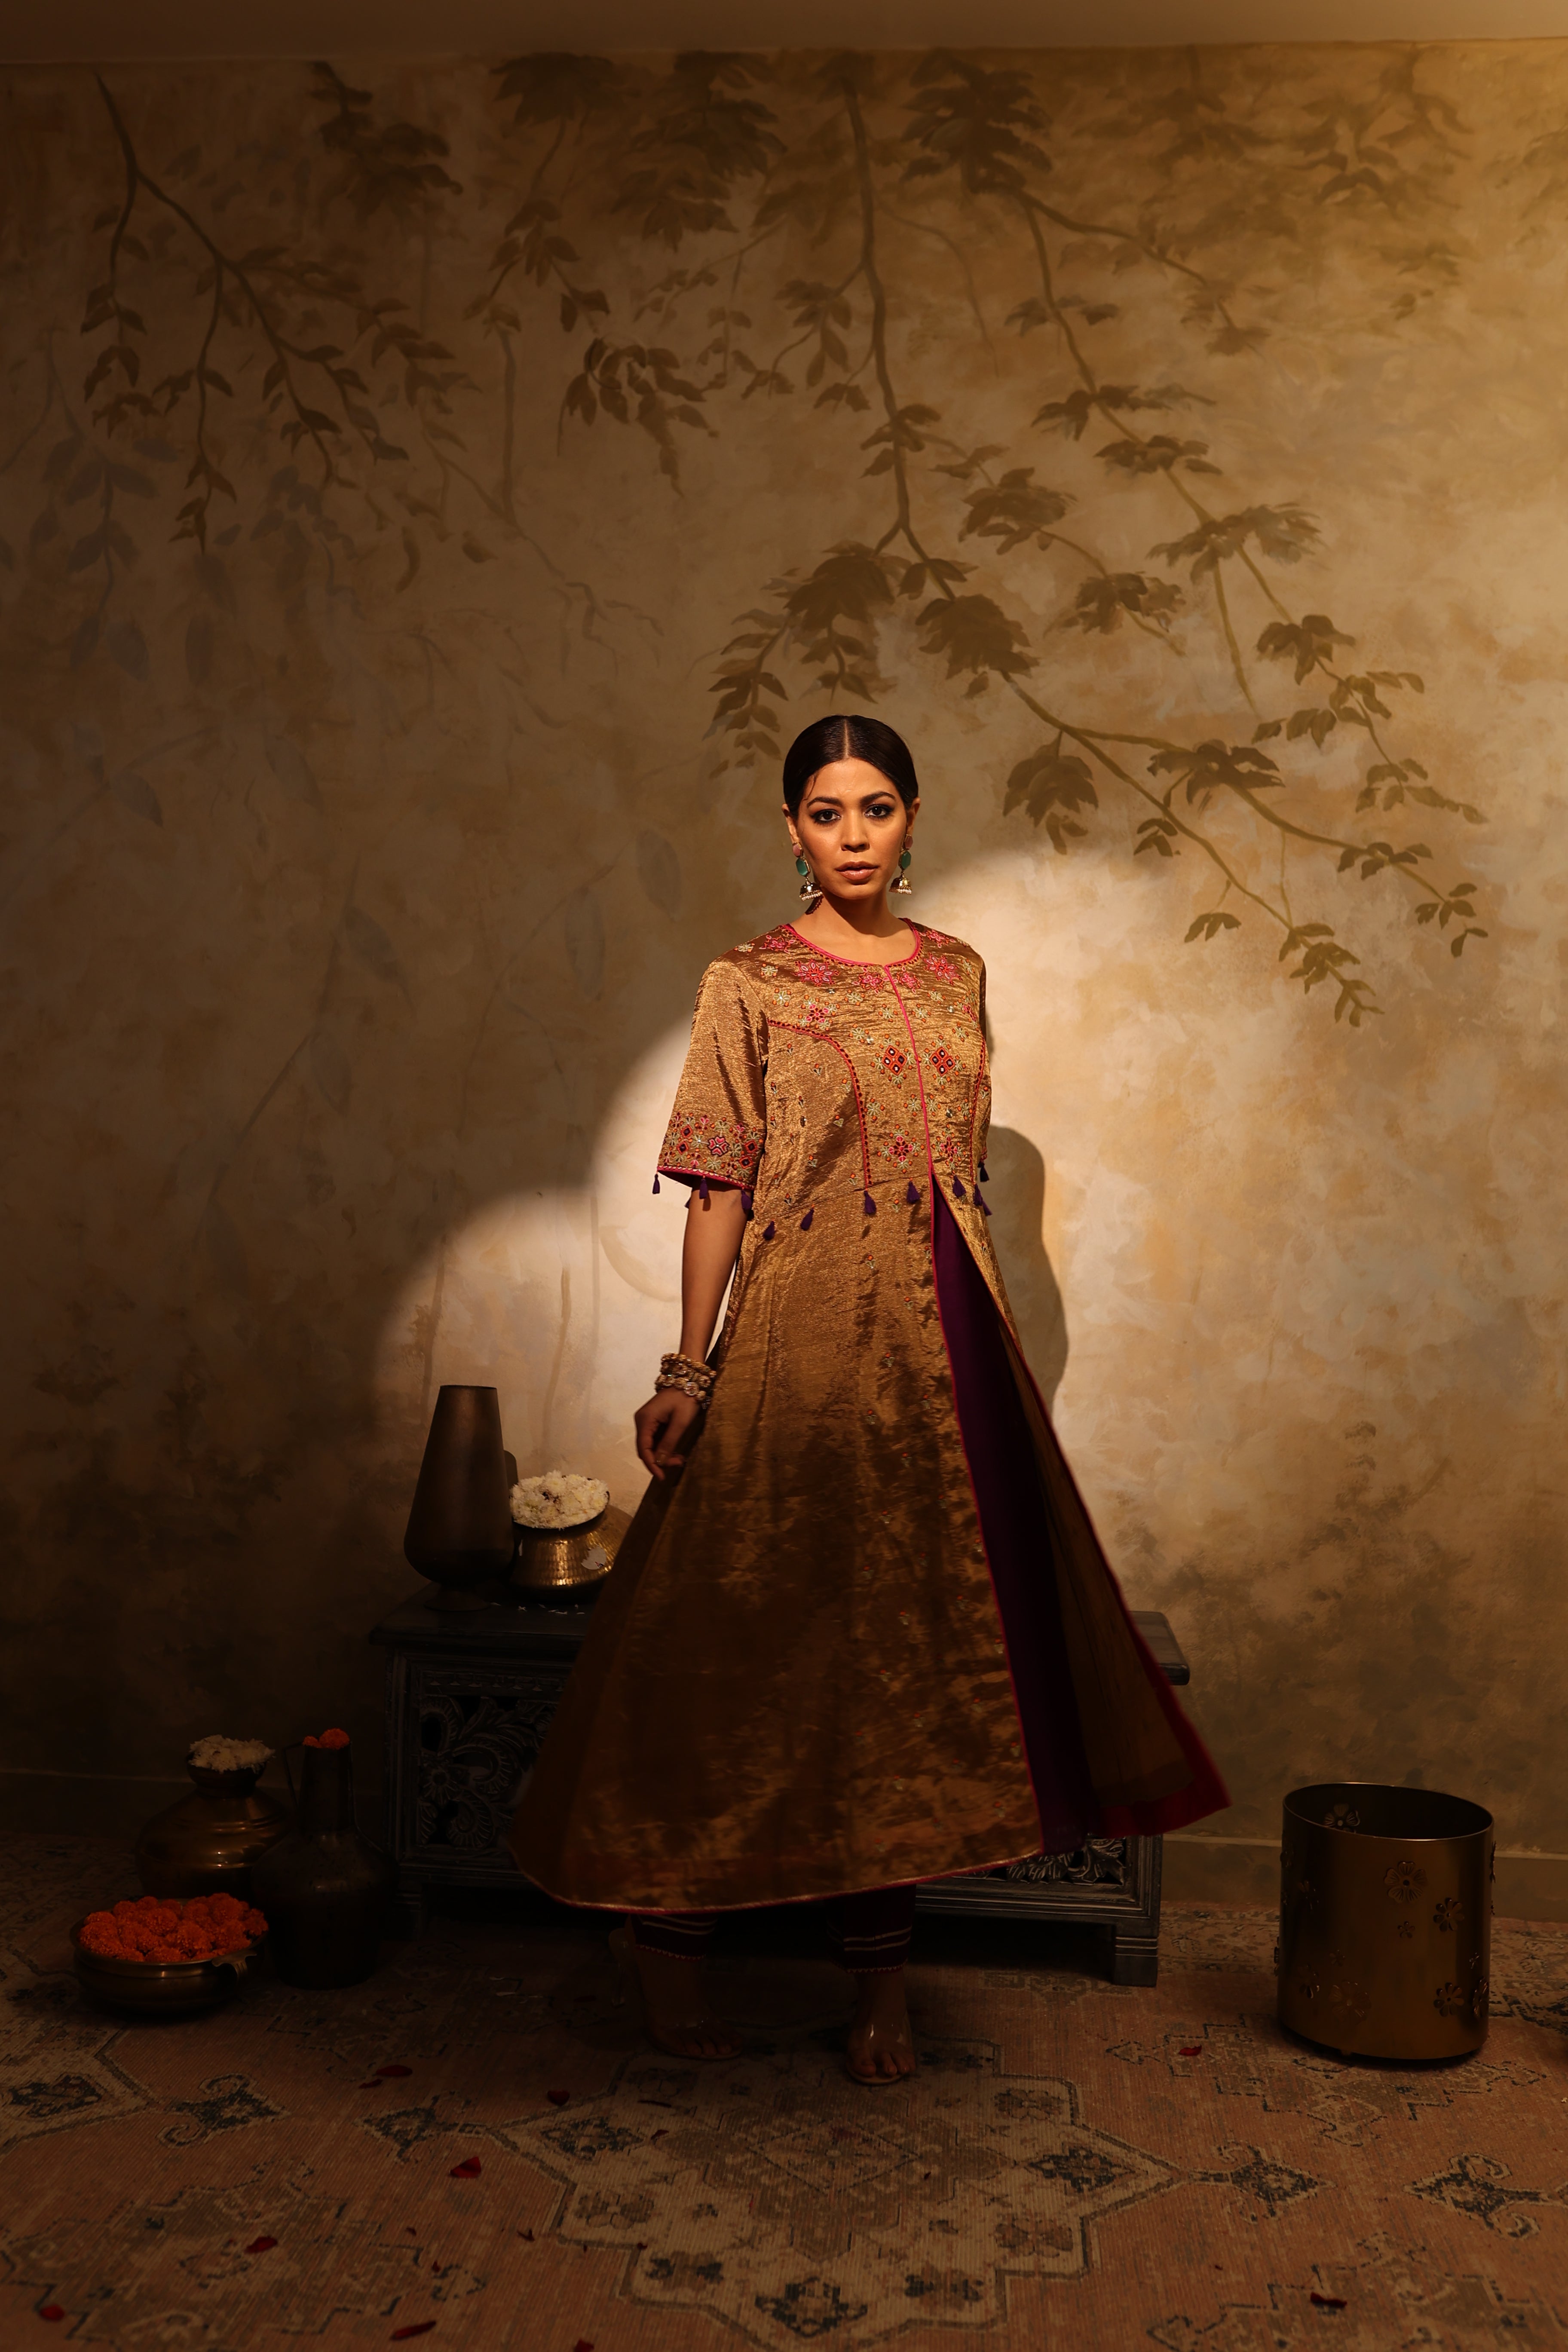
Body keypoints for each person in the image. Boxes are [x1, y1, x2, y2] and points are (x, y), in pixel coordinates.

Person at [509, 712, 1228, 2082]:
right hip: (797, 1329)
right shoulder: (749, 983)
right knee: (745, 1638)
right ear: (792, 832)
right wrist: (689, 1366)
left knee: (911, 1662)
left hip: (944, 1343)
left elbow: (961, 1172)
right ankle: (667, 1940)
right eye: (827, 812)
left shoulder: (956, 972)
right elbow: (719, 1182)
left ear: (911, 820)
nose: (853, 835)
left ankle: (880, 1990)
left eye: (878, 808)